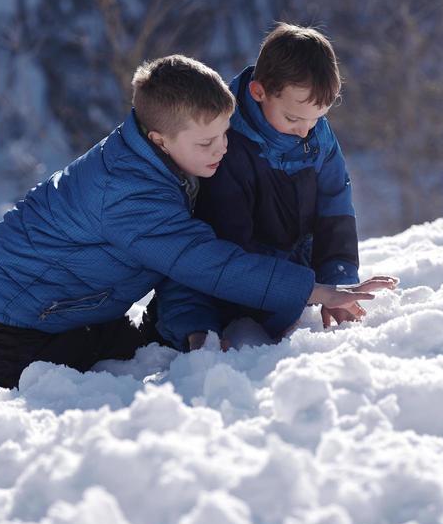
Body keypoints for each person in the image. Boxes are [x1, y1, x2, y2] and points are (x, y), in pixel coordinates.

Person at [0, 54, 380, 405]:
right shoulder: (131, 195)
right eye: (207, 142)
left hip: (78, 299)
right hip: (21, 307)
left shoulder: (171, 160)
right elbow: (202, 259)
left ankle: (91, 338)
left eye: (225, 136)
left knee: (132, 352)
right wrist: (312, 289)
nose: (222, 150)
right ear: (160, 138)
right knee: (28, 391)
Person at [154, 25, 398, 351]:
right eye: (294, 119)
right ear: (258, 92)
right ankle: (197, 333)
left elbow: (335, 208)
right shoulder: (227, 144)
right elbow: (225, 248)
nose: (305, 131)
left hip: (290, 260)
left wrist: (337, 282)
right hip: (233, 264)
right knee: (189, 280)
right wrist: (296, 288)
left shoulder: (316, 136)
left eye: (316, 119)